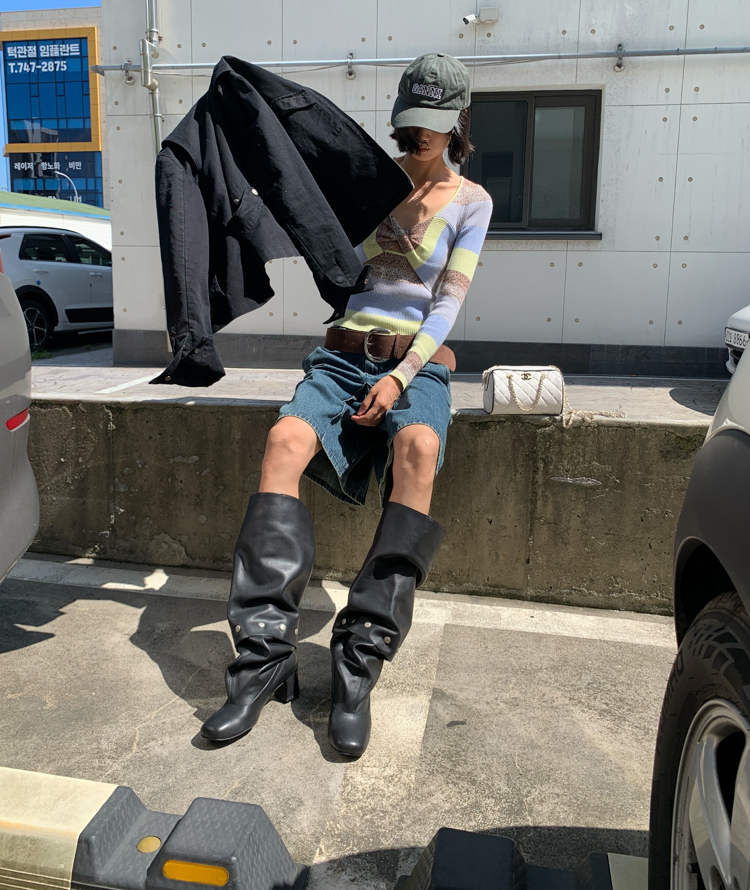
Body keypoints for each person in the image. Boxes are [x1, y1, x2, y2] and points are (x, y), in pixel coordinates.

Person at [200, 53, 493, 757]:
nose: (419, 135)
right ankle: (263, 661)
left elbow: (447, 305)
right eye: (411, 122)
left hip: (415, 360)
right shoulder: (362, 180)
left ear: (457, 123)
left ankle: (358, 661)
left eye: (433, 123)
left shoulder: (471, 202)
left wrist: (400, 378)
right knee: (284, 442)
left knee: (418, 447)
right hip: (340, 353)